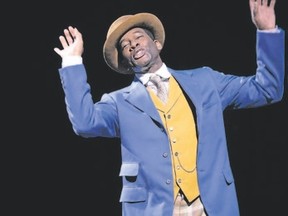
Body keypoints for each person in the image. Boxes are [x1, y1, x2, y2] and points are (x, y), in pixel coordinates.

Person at [53, 0, 285, 215]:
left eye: (138, 36)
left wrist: (267, 31)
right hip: (153, 209)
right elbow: (84, 123)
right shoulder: (119, 103)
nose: (133, 44)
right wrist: (72, 61)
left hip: (210, 205)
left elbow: (267, 89)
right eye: (125, 45)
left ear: (157, 44)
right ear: (125, 62)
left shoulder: (205, 81)